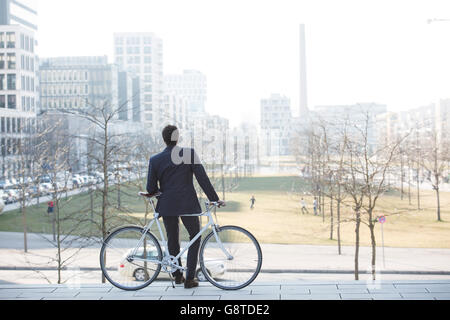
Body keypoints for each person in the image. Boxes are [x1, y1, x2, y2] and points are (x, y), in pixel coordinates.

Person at [146, 125, 225, 289]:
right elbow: (202, 178)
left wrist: (161, 191)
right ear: (178, 137)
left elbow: (150, 188)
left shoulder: (155, 160)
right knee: (195, 236)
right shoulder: (189, 154)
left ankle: (177, 276)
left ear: (164, 139)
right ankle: (189, 278)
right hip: (187, 204)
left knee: (172, 239)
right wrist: (214, 199)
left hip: (167, 205)